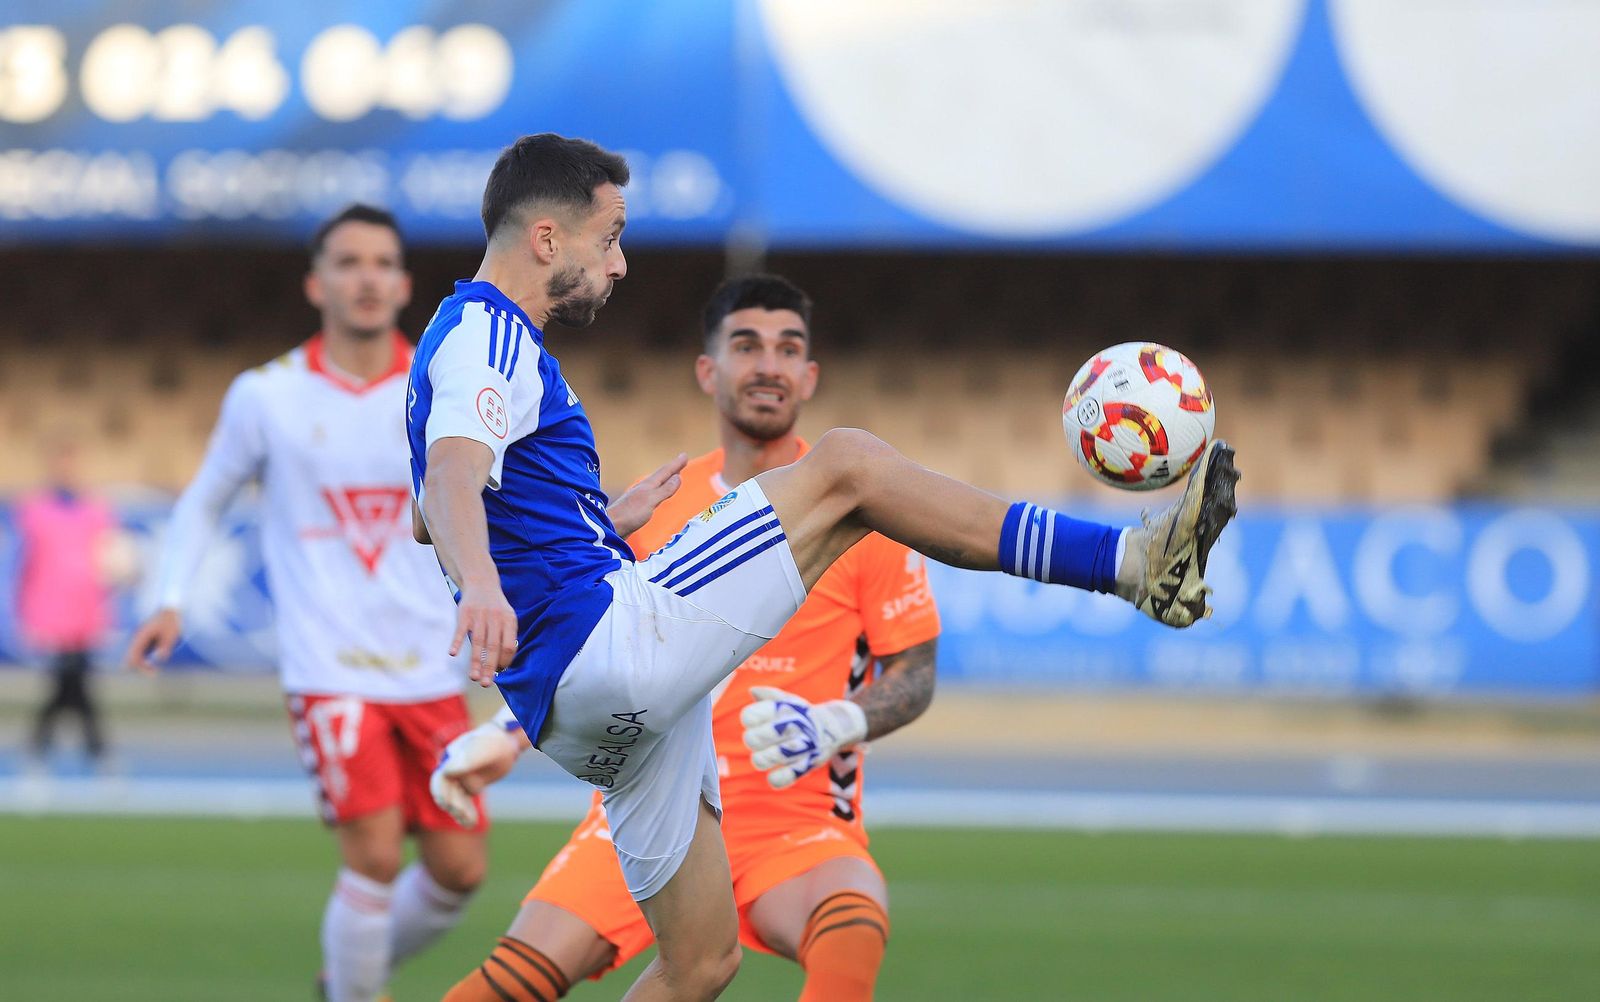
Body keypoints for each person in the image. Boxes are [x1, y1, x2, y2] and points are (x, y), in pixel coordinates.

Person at [406, 133, 1238, 1001]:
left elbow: (425, 514)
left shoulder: (444, 347)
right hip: (605, 647)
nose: (619, 265)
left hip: (580, 718)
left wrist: (587, 524)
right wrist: (492, 589)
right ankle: (1135, 561)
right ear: (546, 239)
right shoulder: (490, 331)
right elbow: (454, 476)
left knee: (701, 964)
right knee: (847, 467)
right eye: (610, 237)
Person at [432, 273, 942, 1002]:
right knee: (511, 983)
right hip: (652, 788)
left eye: (788, 347)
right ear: (708, 370)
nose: (768, 364)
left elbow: (915, 673)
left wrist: (838, 722)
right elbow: (595, 649)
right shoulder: (657, 503)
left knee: (853, 927)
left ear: (809, 374)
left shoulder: (861, 511)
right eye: (746, 345)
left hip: (789, 817)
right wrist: (506, 734)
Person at [124, 205, 489, 1002]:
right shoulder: (267, 396)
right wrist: (170, 597)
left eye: (382, 263)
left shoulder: (441, 393)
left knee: (461, 869)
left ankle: (348, 978)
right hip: (331, 668)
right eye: (348, 262)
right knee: (375, 856)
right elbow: (204, 499)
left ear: (402, 284)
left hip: (431, 667)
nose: (366, 277)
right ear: (316, 282)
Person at [18, 433, 121, 771]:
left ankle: (40, 748)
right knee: (71, 682)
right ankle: (96, 751)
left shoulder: (97, 511)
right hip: (50, 612)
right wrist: (26, 613)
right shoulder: (34, 511)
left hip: (86, 612)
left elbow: (107, 563)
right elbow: (26, 565)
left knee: (72, 682)